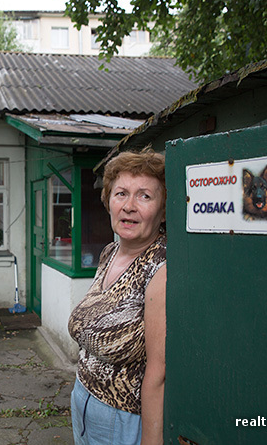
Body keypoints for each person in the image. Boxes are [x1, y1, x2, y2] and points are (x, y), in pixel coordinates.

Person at [68, 148, 167, 445]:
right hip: (83, 401)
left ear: (163, 210)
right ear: (108, 201)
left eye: (144, 196)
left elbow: (159, 374)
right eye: (121, 193)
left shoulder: (161, 267)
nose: (129, 206)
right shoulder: (110, 253)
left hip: (122, 419)